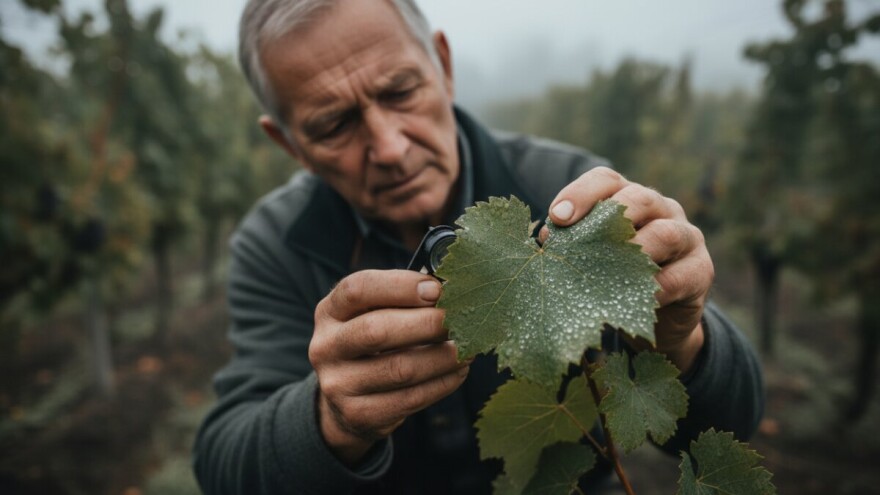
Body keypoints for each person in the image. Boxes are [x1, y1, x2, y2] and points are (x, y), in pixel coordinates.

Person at [192, 0, 765, 493]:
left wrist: (682, 338)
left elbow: (735, 420)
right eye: (334, 124)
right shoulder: (272, 245)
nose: (389, 148)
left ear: (443, 66)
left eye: (400, 90)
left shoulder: (571, 193)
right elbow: (223, 466)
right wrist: (330, 422)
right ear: (287, 143)